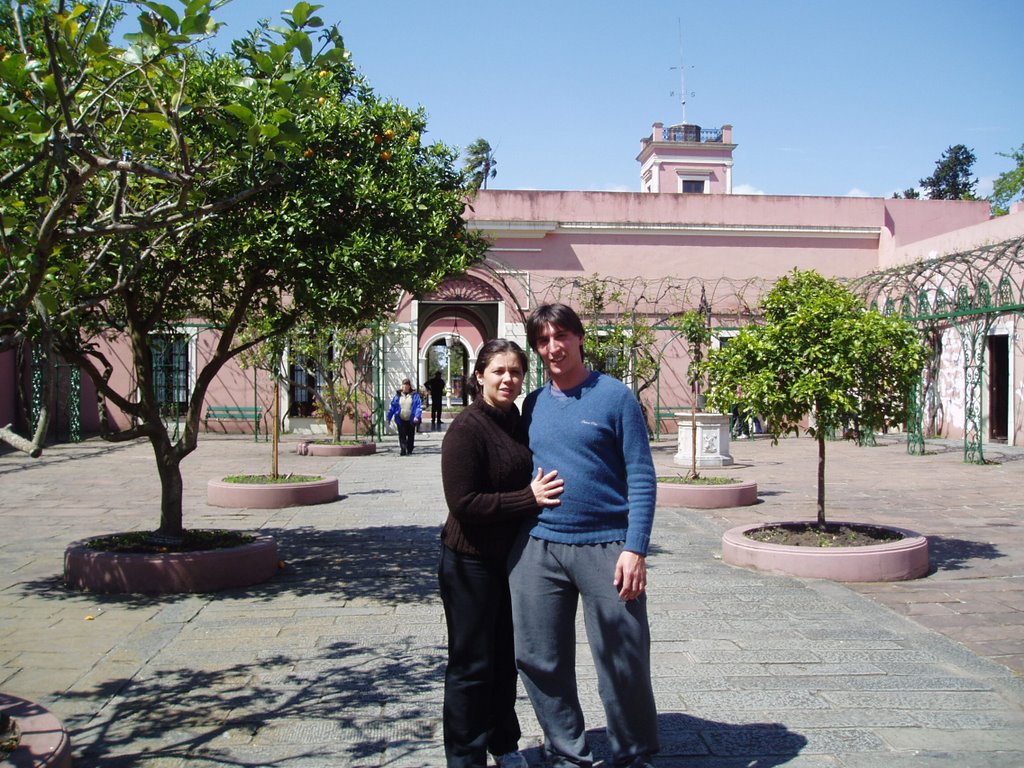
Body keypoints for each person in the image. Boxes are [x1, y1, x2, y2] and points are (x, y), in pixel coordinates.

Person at [510, 303, 659, 768]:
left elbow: (641, 475)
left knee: (624, 660)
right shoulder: (533, 403)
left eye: (561, 336)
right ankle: (567, 749)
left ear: (579, 338)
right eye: (542, 340)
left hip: (608, 547)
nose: (553, 347)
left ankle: (633, 753)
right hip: (539, 547)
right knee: (538, 656)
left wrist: (635, 548)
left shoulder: (616, 398)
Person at [439, 339, 564, 768]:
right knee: (471, 666)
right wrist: (527, 499)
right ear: (479, 375)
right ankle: (465, 757)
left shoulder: (518, 419)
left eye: (515, 371)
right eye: (498, 371)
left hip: (512, 560)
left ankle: (503, 743)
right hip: (469, 561)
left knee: (505, 660)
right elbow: (464, 504)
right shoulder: (466, 429)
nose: (508, 379)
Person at [386, 378, 423, 455]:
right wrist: (389, 417)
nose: (405, 388)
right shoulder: (398, 396)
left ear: (409, 386)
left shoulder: (415, 395)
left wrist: (417, 416)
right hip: (400, 418)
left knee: (410, 435)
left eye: (406, 386)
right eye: (403, 386)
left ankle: (409, 449)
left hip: (411, 419)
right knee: (402, 435)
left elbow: (418, 407)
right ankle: (403, 449)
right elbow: (393, 407)